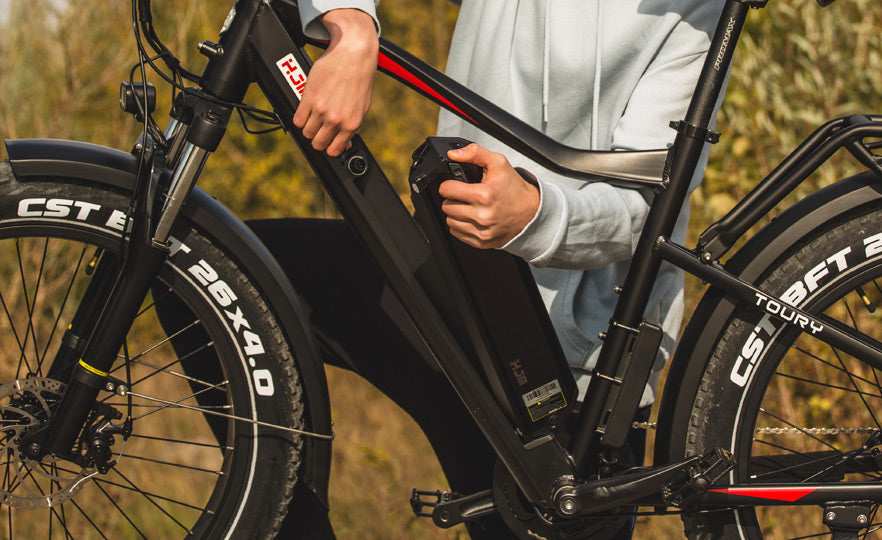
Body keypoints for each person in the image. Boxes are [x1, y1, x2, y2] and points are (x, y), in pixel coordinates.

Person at [254, 1, 726, 538]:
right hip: (444, 284)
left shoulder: (693, 11)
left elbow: (646, 212)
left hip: (569, 373)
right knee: (228, 274)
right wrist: (352, 24)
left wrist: (535, 215)